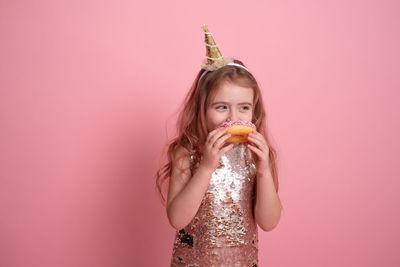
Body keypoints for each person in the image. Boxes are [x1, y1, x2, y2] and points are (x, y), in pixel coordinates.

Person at [156, 24, 282, 266]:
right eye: (221, 107)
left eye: (243, 108)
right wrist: (205, 167)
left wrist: (264, 170)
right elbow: (177, 219)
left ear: (254, 111)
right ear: (202, 109)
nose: (232, 117)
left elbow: (269, 222)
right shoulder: (188, 151)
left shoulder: (257, 156)